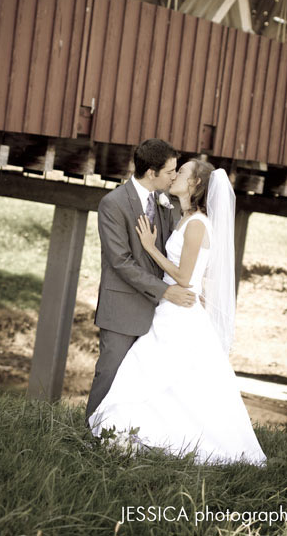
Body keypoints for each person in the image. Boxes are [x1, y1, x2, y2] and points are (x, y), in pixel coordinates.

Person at [88, 158, 267, 466]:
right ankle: (148, 434)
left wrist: (149, 247)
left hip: (179, 311)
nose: (174, 175)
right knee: (158, 377)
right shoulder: (184, 218)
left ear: (195, 183)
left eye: (181, 172)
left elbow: (185, 278)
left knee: (157, 373)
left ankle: (178, 440)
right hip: (170, 308)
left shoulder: (197, 224)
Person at [85, 139, 196, 423]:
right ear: (151, 172)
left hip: (158, 313)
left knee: (141, 382)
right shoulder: (113, 203)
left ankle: (127, 435)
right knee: (109, 374)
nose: (174, 176)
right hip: (122, 308)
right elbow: (120, 261)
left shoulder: (166, 203)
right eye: (170, 171)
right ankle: (90, 433)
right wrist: (166, 291)